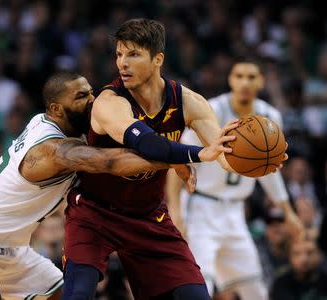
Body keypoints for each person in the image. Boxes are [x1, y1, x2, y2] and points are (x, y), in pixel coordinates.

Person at [0, 72, 192, 300]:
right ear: (56, 109)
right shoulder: (50, 150)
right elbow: (109, 162)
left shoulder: (55, 126)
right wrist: (177, 156)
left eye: (90, 93)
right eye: (80, 97)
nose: (91, 101)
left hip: (10, 247)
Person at [62, 18, 243, 300]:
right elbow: (147, 144)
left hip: (148, 216)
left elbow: (225, 155)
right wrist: (194, 155)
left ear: (157, 59)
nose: (122, 63)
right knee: (78, 294)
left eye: (133, 54)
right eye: (119, 54)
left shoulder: (188, 102)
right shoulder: (109, 103)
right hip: (95, 213)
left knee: (195, 296)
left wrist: (256, 162)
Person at [167, 57, 304, 300]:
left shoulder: (270, 117)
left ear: (261, 82)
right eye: (239, 76)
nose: (245, 82)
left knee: (255, 291)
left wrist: (288, 211)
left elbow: (268, 172)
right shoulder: (211, 111)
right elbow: (179, 160)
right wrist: (175, 211)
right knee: (199, 288)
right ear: (230, 80)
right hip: (201, 208)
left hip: (236, 213)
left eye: (251, 77)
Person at [270, 235, 327, 300]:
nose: (303, 259)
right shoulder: (281, 285)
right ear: (289, 257)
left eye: (309, 252)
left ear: (320, 255)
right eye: (296, 254)